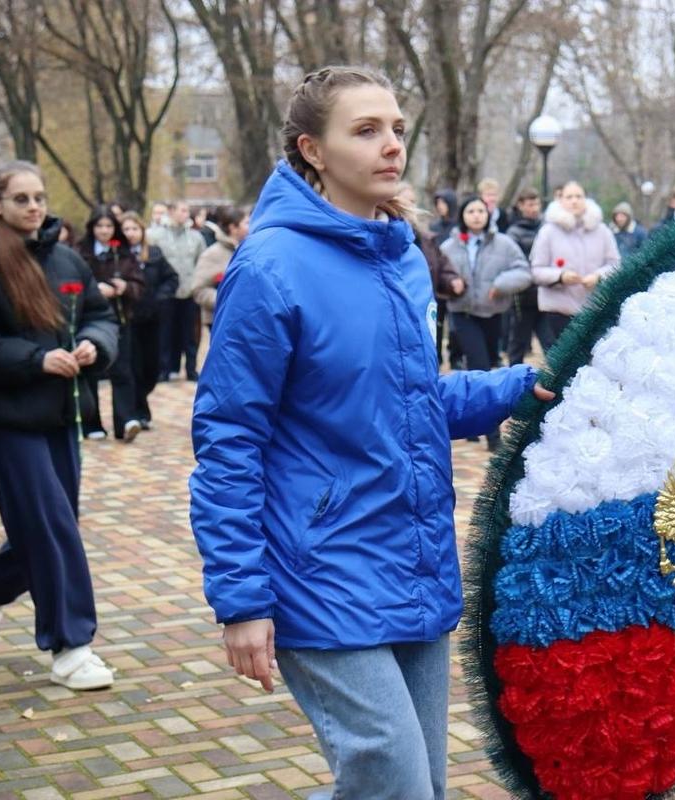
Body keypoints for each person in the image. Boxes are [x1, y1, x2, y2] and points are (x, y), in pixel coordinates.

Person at [188, 65, 550, 800]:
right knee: (393, 779)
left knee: (422, 787)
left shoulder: (403, 260)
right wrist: (243, 598)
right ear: (311, 150)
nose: (391, 146)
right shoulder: (270, 268)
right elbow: (228, 441)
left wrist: (522, 386)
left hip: (413, 559)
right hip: (317, 569)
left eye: (396, 130)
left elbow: (412, 403)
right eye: (365, 130)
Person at [0, 160, 119, 690]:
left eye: (40, 197)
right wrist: (37, 360)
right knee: (51, 525)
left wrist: (97, 345)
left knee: (49, 527)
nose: (34, 206)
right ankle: (71, 646)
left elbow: (100, 314)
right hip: (9, 422)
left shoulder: (68, 258)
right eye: (21, 198)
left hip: (61, 417)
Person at [439, 195, 532, 450]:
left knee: (489, 365)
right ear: (463, 216)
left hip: (493, 315)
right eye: (471, 211)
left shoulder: (504, 243)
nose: (477, 215)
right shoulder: (449, 246)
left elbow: (524, 271)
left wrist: (501, 285)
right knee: (479, 363)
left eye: (481, 210)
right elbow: (436, 277)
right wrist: (451, 286)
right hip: (463, 313)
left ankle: (473, 421)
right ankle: (493, 436)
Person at [77, 206, 145, 442]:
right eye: (100, 226)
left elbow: (139, 285)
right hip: (90, 320)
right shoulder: (81, 253)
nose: (104, 231)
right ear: (92, 228)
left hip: (120, 318)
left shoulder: (124, 254)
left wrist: (123, 288)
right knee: (91, 371)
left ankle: (125, 421)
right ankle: (91, 423)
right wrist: (95, 291)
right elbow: (73, 284)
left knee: (123, 370)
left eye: (108, 226)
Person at [529, 180, 620, 347]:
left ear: (586, 199)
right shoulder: (548, 231)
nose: (574, 201)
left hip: (594, 307)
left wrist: (598, 276)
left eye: (579, 196)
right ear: (560, 200)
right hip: (558, 309)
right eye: (569, 197)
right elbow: (536, 270)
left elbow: (615, 264)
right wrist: (560, 276)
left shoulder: (602, 231)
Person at [120, 211, 178, 429]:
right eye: (126, 229)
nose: (130, 233)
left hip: (152, 318)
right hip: (129, 319)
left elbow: (172, 278)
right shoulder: (120, 256)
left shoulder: (153, 253)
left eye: (134, 228)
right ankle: (139, 411)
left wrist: (159, 298)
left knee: (151, 367)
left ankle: (141, 400)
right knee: (133, 366)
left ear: (142, 231)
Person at [395, 182, 461, 364]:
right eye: (407, 201)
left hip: (427, 304)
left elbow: (442, 266)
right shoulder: (385, 234)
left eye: (414, 201)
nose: (412, 207)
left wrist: (452, 280)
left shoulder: (426, 238)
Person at [149, 201, 206, 382]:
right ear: (171, 212)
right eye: (183, 210)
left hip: (188, 293)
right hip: (166, 294)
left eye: (188, 210)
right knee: (165, 333)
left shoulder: (196, 237)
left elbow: (202, 263)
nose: (186, 214)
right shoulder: (155, 236)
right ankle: (164, 369)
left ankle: (191, 369)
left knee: (190, 335)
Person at [505, 188, 551, 365]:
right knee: (518, 344)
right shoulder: (513, 232)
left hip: (546, 294)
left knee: (551, 343)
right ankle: (513, 385)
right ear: (521, 206)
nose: (534, 208)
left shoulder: (547, 228)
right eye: (530, 204)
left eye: (537, 203)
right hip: (523, 298)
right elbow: (514, 263)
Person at [191, 205, 249, 333]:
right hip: (219, 320)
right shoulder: (212, 254)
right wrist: (227, 300)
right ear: (233, 227)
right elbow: (198, 289)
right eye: (246, 223)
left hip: (244, 319)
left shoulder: (247, 250)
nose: (250, 227)